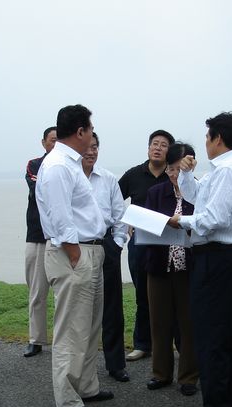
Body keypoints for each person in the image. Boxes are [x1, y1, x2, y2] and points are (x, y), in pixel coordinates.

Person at [168, 112, 232, 407]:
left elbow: (213, 218)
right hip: (227, 258)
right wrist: (186, 175)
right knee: (228, 336)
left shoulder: (229, 171)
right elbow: (197, 197)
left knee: (213, 336)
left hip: (219, 259)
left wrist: (180, 222)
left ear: (218, 138)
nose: (205, 143)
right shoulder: (229, 168)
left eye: (207, 137)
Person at [36, 104, 113, 407]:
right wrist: (75, 253)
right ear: (80, 131)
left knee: (90, 326)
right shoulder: (57, 165)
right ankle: (67, 398)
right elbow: (59, 215)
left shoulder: (71, 163)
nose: (92, 135)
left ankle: (86, 385)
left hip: (89, 249)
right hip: (73, 252)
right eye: (90, 129)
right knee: (71, 329)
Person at [144, 142, 198, 396]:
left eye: (181, 169)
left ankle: (188, 377)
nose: (176, 175)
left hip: (189, 267)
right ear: (166, 169)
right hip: (159, 264)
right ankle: (160, 373)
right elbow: (146, 223)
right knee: (159, 321)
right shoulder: (156, 193)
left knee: (189, 323)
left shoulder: (199, 191)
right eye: (173, 169)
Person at [119, 129, 175, 361]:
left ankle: (175, 344)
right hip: (140, 244)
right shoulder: (134, 174)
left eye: (163, 145)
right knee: (143, 294)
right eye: (154, 143)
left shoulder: (174, 174)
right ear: (148, 147)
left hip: (170, 243)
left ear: (170, 151)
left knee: (172, 295)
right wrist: (126, 222)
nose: (158, 148)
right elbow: (113, 200)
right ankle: (142, 344)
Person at [81, 132, 130, 382]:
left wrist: (117, 244)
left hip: (107, 245)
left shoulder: (108, 178)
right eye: (87, 147)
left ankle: (115, 364)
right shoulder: (70, 176)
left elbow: (120, 215)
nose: (91, 152)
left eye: (95, 147)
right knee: (81, 309)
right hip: (79, 248)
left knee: (112, 309)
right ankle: (81, 366)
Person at [23, 126, 57, 358]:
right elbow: (39, 189)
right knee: (37, 292)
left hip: (64, 238)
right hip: (37, 236)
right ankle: (36, 339)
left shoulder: (74, 165)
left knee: (63, 293)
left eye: (59, 140)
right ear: (44, 143)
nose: (56, 144)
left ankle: (63, 340)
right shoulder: (35, 165)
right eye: (52, 140)